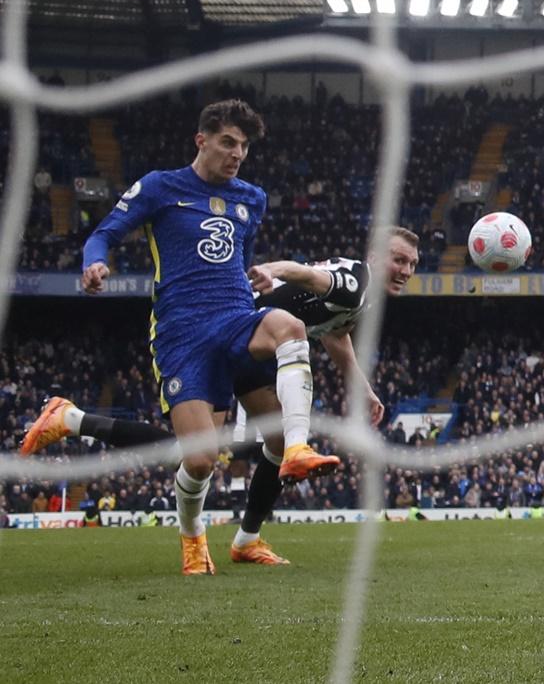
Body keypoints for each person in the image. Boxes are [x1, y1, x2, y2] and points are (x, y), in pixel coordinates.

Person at [21, 229, 421, 564]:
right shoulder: (356, 282)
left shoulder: (362, 296)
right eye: (398, 260)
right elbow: (304, 273)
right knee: (196, 454)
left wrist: (363, 388)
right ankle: (70, 419)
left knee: (276, 443)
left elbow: (336, 332)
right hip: (230, 337)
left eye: (412, 264)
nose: (405, 270)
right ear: (374, 255)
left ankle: (247, 540)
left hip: (255, 346)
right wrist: (271, 268)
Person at [67, 99, 338, 575]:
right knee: (200, 460)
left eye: (244, 146)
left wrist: (255, 278)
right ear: (202, 140)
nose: (237, 153)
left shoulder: (251, 197)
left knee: (290, 330)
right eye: (228, 142)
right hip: (184, 333)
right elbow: (104, 233)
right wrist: (95, 262)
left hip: (236, 317)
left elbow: (236, 253)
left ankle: (295, 452)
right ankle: (193, 540)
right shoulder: (160, 187)